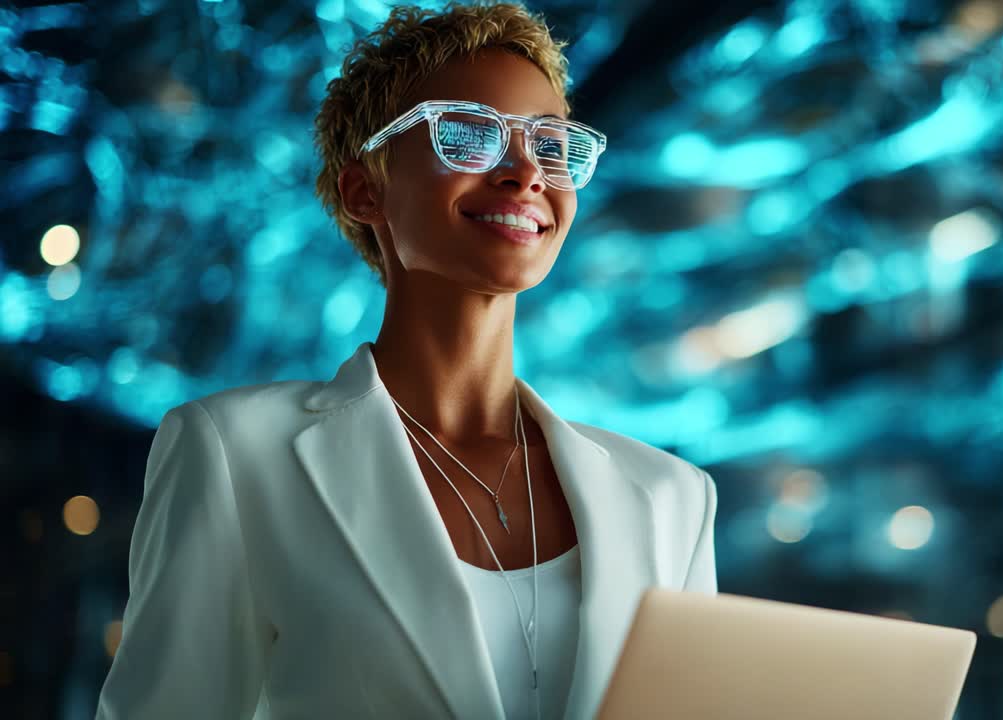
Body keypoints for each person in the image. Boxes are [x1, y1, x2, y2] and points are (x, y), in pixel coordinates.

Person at [93, 3, 718, 719]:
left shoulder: (672, 497)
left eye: (551, 144)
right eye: (469, 135)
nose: (525, 172)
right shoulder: (235, 454)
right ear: (366, 188)